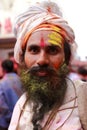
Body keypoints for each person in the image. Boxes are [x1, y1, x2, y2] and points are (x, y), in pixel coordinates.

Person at [8, 1, 87, 130]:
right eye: (34, 50)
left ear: (66, 57)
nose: (42, 60)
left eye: (53, 50)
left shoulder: (83, 96)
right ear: (23, 57)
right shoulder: (22, 106)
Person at [0, 59, 23, 130]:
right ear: (13, 67)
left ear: (3, 69)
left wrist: (10, 117)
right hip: (23, 118)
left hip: (7, 123)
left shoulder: (2, 83)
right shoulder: (21, 80)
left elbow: (2, 104)